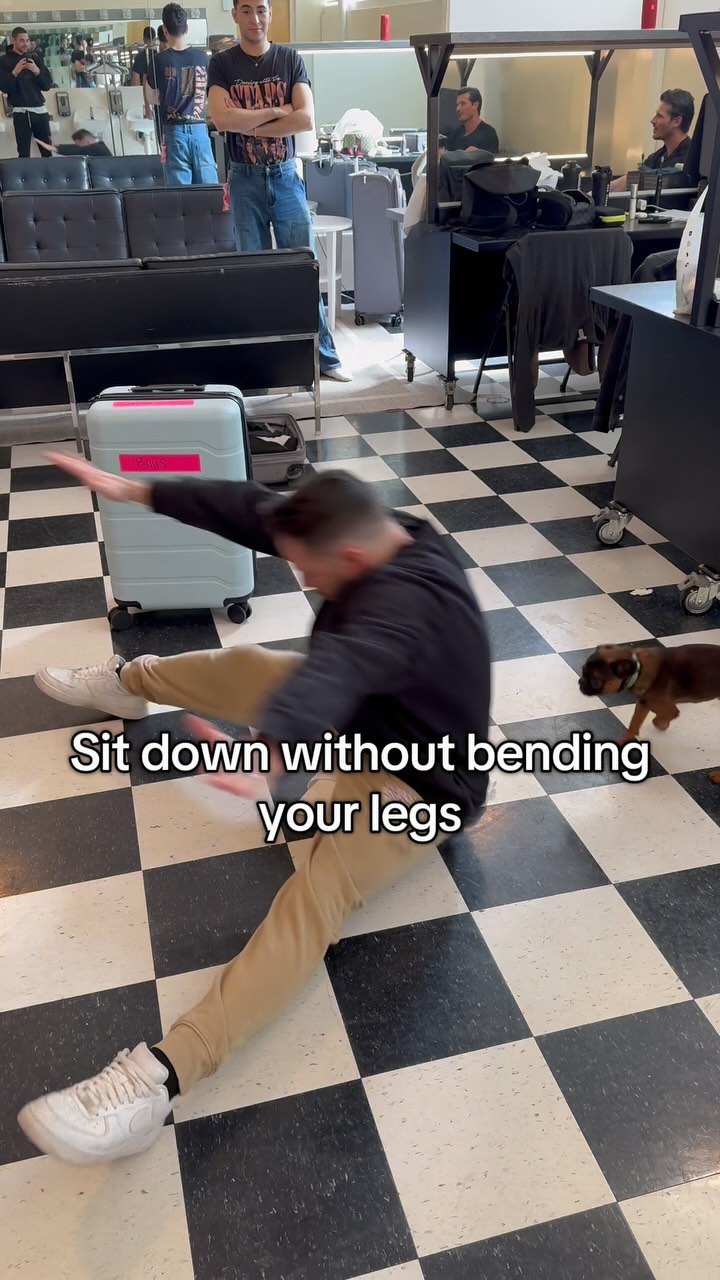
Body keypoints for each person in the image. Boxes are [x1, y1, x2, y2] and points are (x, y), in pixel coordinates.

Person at [18, 457, 491, 1166]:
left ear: (351, 559)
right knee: (250, 665)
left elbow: (339, 669)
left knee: (315, 898)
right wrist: (133, 488)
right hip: (367, 719)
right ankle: (129, 683)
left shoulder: (406, 608)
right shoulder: (373, 532)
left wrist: (266, 754)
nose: (301, 577)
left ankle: (161, 1079)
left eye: (309, 570)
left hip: (422, 786)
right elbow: (247, 507)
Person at [206, 1, 350, 382]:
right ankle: (263, 361)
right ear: (235, 14)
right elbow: (222, 118)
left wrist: (249, 124)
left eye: (261, 9)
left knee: (302, 269)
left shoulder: (289, 59)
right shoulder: (222, 64)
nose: (255, 18)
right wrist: (277, 111)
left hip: (285, 176)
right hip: (244, 179)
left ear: (271, 14)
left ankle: (324, 357)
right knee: (253, 276)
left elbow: (305, 118)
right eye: (246, 10)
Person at [145, 3, 218, 186]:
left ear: (164, 30)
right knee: (209, 190)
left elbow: (151, 97)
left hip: (174, 131)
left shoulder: (158, 60)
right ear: (187, 28)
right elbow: (209, 95)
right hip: (200, 129)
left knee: (181, 195)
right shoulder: (203, 58)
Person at [610, 89, 695, 192]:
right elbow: (632, 180)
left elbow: (633, 181)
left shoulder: (690, 161)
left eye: (659, 116)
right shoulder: (655, 158)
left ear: (676, 121)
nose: (653, 120)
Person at [0, 27, 54, 158]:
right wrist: (15, 72)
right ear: (13, 40)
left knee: (47, 151)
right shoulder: (3, 61)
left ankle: (49, 172)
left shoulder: (35, 58)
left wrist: (37, 71)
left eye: (27, 40)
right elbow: (4, 88)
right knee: (24, 153)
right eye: (22, 40)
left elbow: (47, 85)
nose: (26, 44)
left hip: (40, 110)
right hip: (21, 113)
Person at [443, 87, 499, 155]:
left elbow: (490, 160)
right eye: (457, 104)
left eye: (463, 103)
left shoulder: (488, 134)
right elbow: (445, 152)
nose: (458, 109)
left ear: (475, 105)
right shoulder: (456, 133)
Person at [36, 128, 113, 158]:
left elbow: (78, 149)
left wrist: (54, 149)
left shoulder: (96, 148)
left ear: (87, 142)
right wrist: (58, 146)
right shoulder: (99, 145)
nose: (78, 146)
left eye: (79, 144)